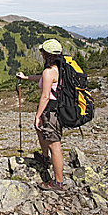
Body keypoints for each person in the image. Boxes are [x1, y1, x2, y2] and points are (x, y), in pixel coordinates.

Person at [16, 38, 65, 192]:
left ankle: (58, 183)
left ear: (47, 54)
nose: (41, 53)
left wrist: (38, 116)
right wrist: (27, 78)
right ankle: (44, 158)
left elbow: (45, 96)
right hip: (54, 109)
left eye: (43, 51)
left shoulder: (49, 71)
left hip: (50, 110)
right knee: (40, 131)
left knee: (54, 145)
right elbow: (43, 79)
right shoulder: (58, 68)